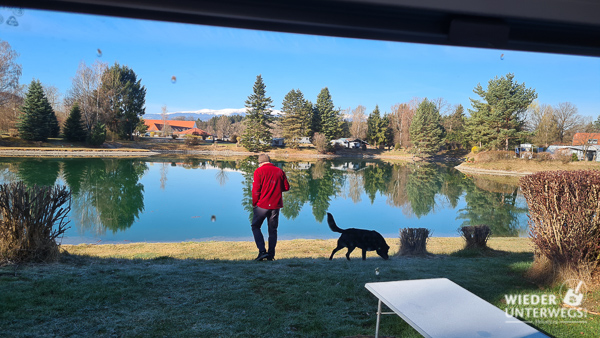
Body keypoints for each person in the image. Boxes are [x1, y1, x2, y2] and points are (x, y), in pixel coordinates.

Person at [251, 153, 290, 261]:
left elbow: (255, 191)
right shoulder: (279, 171)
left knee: (255, 226)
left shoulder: (258, 171)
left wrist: (254, 203)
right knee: (273, 230)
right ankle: (271, 255)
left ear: (260, 162)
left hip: (262, 206)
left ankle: (262, 251)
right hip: (275, 206)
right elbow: (286, 187)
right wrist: (275, 188)